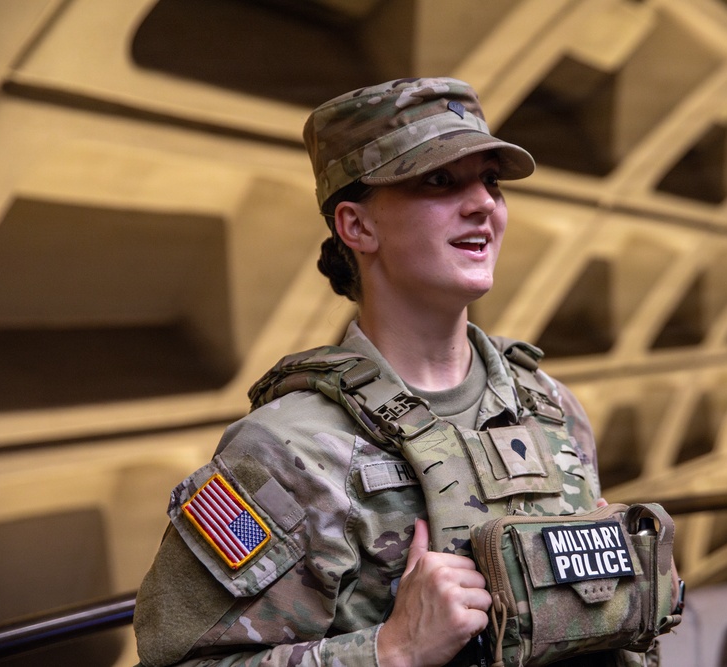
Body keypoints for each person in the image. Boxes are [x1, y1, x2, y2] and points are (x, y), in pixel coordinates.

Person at [133, 77, 663, 667]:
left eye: (490, 180)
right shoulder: (288, 450)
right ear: (357, 226)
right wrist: (392, 649)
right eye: (439, 181)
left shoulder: (550, 406)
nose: (484, 204)